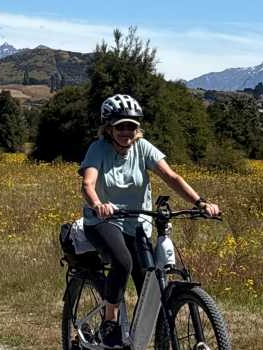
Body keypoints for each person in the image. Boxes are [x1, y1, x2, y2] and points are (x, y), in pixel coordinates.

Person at [78, 94, 221, 348]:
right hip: (103, 221)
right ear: (108, 127)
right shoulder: (97, 149)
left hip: (137, 223)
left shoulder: (143, 148)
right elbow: (87, 184)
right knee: (123, 262)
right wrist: (98, 204)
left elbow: (171, 177)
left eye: (131, 126)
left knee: (149, 285)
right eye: (120, 126)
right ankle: (110, 321)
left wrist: (200, 202)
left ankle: (141, 340)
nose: (126, 131)